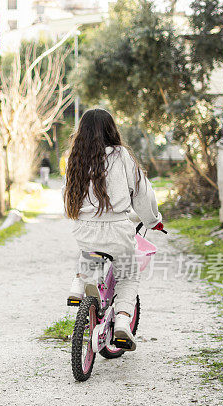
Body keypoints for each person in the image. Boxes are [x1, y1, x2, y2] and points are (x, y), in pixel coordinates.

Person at [63, 108, 163, 350]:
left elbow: (67, 194)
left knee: (89, 255)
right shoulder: (121, 156)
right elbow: (142, 193)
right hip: (117, 231)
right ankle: (122, 322)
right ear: (112, 130)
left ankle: (79, 284)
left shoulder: (75, 157)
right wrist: (152, 220)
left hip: (85, 230)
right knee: (128, 274)